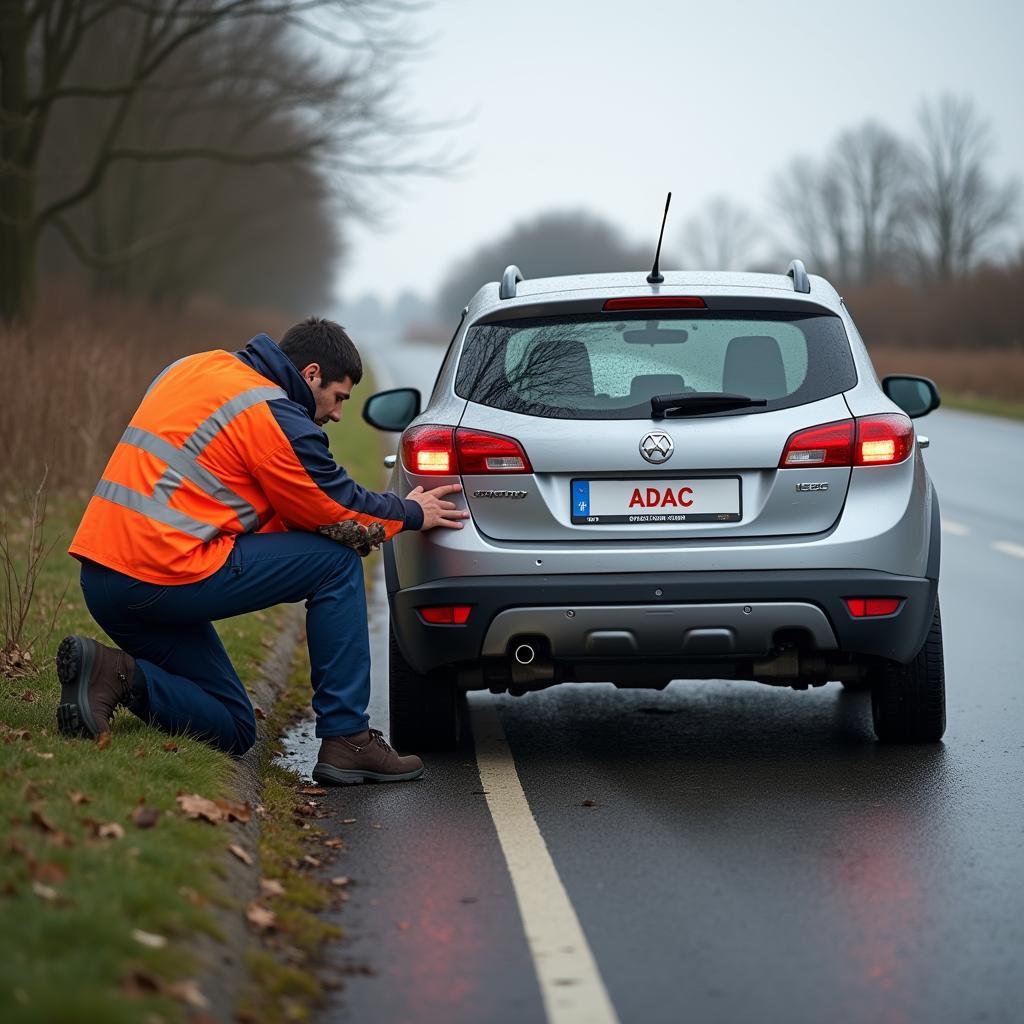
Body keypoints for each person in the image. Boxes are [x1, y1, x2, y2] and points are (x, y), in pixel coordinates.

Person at [56, 318, 466, 784]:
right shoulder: (272, 413)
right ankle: (348, 738)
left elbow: (257, 497)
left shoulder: (193, 366)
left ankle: (115, 673)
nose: (336, 415)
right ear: (311, 374)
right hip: (163, 572)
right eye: (339, 398)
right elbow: (336, 509)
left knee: (233, 725)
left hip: (101, 574)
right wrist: (409, 512)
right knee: (334, 564)